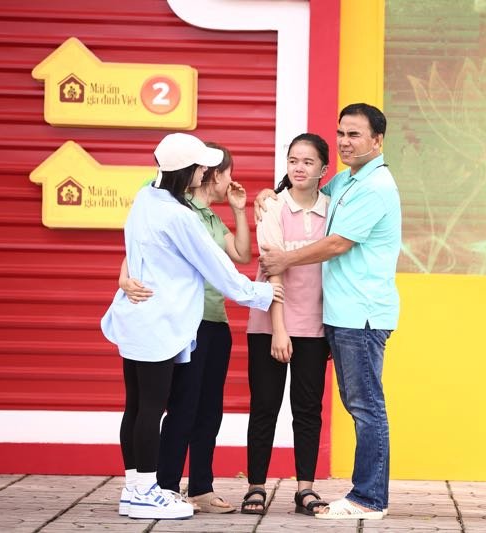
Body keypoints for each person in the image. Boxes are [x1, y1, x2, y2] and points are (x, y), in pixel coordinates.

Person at [101, 133, 282, 521]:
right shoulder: (180, 217)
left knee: (137, 407)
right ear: (189, 171)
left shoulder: (146, 199)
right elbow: (218, 269)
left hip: (135, 318)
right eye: (201, 167)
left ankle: (134, 489)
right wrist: (264, 293)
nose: (206, 172)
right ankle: (147, 491)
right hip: (160, 323)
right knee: (152, 408)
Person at [257, 103, 401, 520]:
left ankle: (368, 499)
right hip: (341, 316)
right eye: (341, 133)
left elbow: (338, 243)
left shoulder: (376, 186)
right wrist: (269, 193)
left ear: (377, 140)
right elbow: (303, 189)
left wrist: (285, 258)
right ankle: (366, 495)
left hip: (362, 315)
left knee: (366, 407)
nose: (344, 142)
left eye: (355, 134)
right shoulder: (348, 179)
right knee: (360, 404)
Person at [120, 142, 250, 514]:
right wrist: (124, 279)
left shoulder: (207, 217)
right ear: (207, 173)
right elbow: (138, 251)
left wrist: (239, 211)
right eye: (224, 172)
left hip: (214, 320)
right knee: (177, 406)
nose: (228, 179)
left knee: (208, 410)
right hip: (184, 322)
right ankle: (162, 484)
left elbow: (241, 255)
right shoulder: (174, 209)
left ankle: (197, 487)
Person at [240, 133, 331, 516]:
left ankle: (305, 489)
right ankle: (256, 486)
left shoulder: (333, 210)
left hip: (314, 325)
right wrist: (279, 328)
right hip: (269, 325)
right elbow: (273, 267)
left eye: (308, 162)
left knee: (308, 409)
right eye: (293, 160)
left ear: (323, 169)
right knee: (265, 406)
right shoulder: (272, 206)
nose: (299, 168)